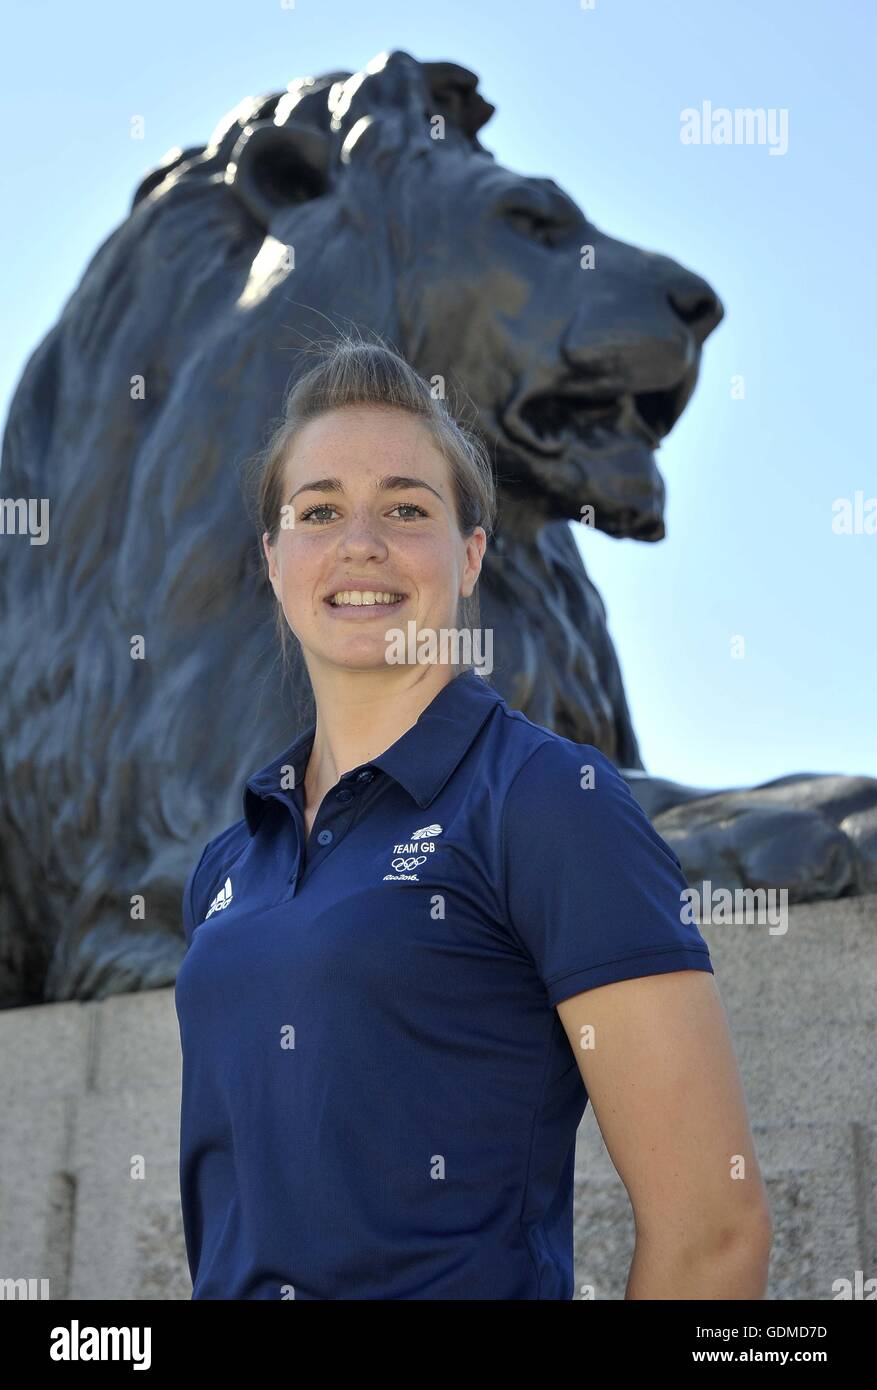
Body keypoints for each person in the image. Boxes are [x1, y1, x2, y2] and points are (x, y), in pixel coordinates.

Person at [174, 335, 772, 1300]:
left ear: (470, 555)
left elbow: (713, 1231)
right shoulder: (228, 860)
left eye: (406, 508)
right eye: (319, 510)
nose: (359, 541)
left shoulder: (546, 801)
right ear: (275, 561)